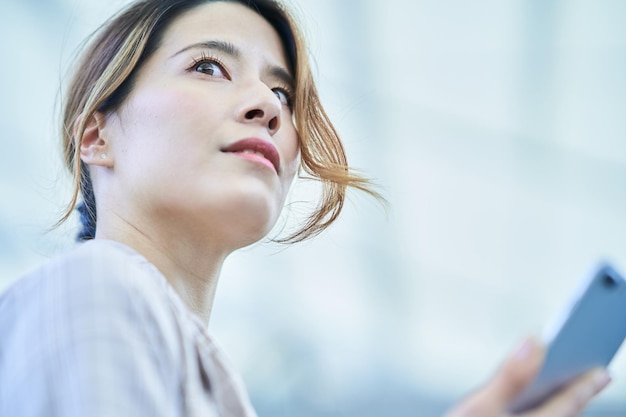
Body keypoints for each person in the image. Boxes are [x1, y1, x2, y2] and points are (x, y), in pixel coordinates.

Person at [0, 0, 611, 416]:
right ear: (96, 138)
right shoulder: (100, 286)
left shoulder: (195, 370)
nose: (266, 105)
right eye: (208, 66)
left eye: (282, 92)